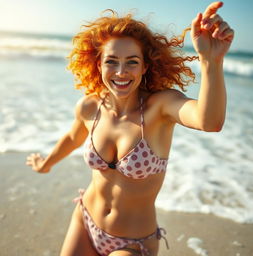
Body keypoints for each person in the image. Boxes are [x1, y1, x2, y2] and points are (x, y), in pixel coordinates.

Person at [26, 1, 234, 256]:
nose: (121, 72)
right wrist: (45, 163)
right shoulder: (89, 107)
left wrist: (211, 61)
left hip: (132, 244)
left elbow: (209, 121)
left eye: (132, 62)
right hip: (85, 221)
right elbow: (72, 137)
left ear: (145, 66)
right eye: (111, 61)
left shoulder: (160, 108)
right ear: (98, 64)